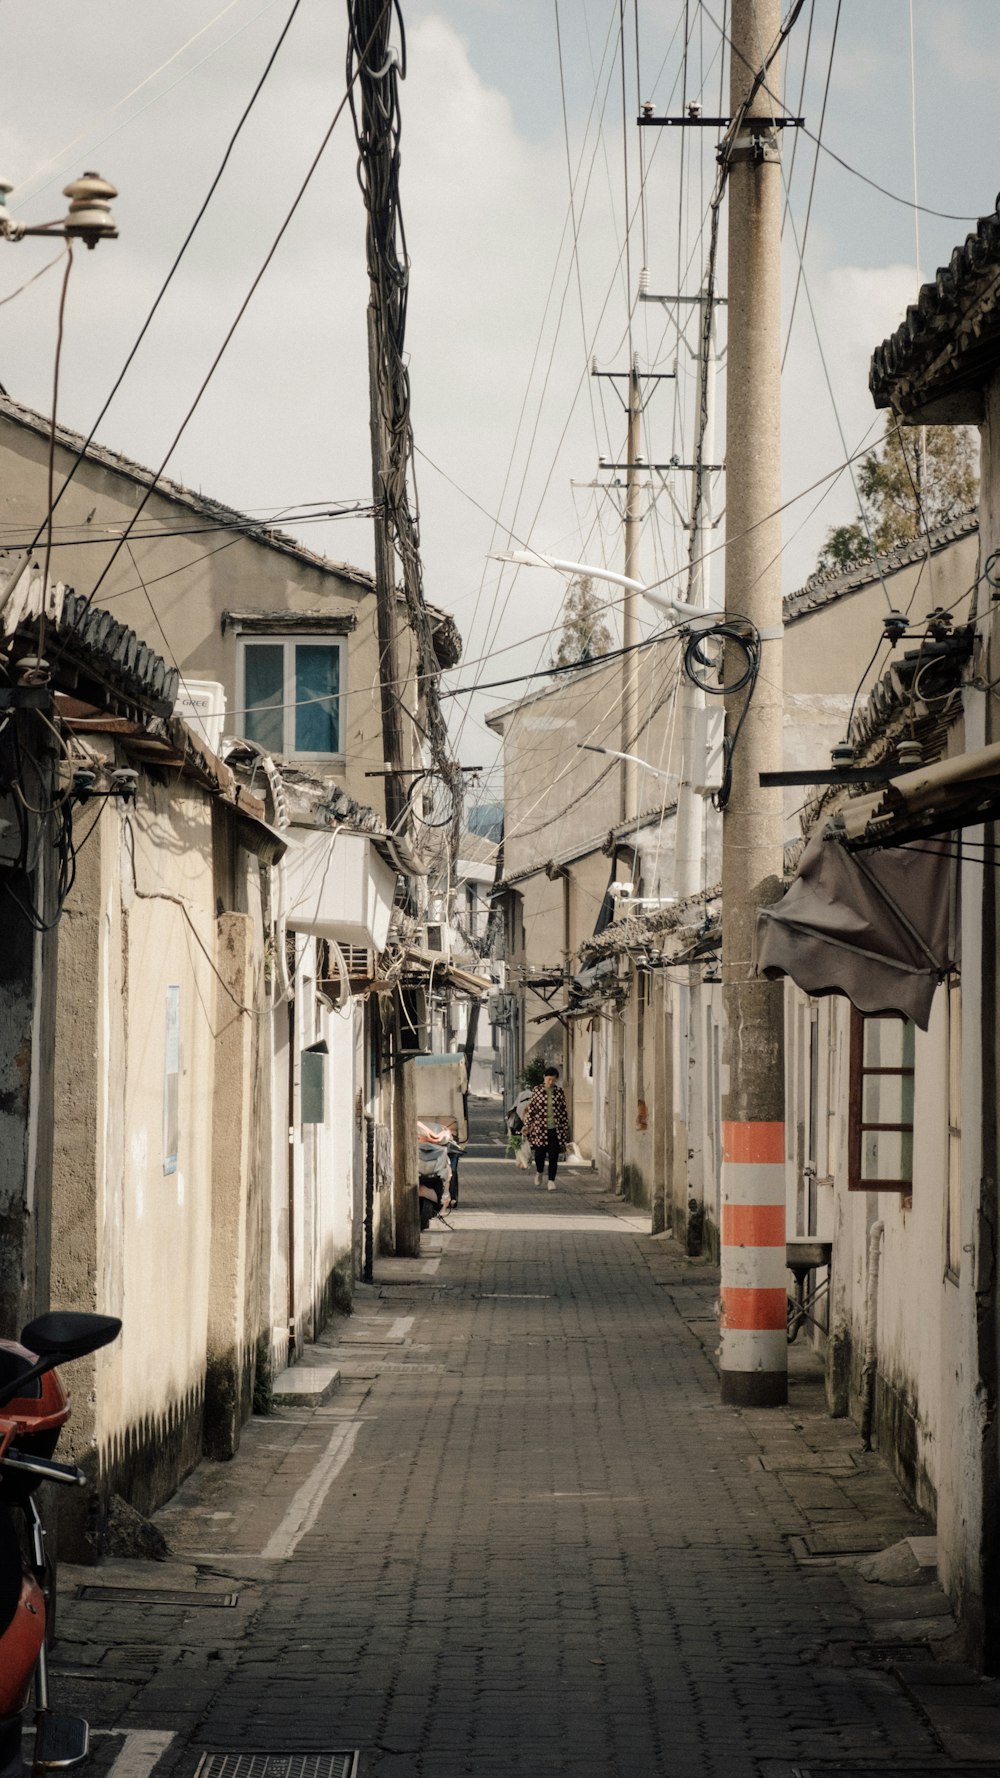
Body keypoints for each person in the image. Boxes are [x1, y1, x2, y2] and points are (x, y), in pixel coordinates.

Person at [522, 1065, 571, 1190]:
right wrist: (527, 1125)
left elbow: (563, 1112)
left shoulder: (559, 1092)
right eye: (549, 1079)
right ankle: (539, 1172)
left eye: (553, 1080)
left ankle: (551, 1180)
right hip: (540, 1129)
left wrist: (565, 1129)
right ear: (544, 1078)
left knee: (553, 1155)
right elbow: (531, 1110)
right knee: (540, 1154)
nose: (551, 1082)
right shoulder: (537, 1090)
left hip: (555, 1129)